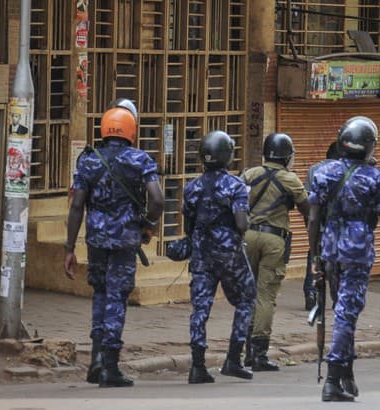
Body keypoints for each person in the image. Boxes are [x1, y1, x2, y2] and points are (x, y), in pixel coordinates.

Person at [308, 116, 380, 402]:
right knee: (346, 312)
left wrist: (314, 255)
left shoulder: (323, 172)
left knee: (343, 311)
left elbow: (314, 218)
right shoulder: (375, 178)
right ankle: (332, 379)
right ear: (369, 146)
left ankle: (347, 375)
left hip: (330, 249)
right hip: (356, 252)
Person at [64, 103, 164, 388]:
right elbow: (157, 200)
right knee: (117, 298)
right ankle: (110, 366)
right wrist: (148, 223)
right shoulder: (140, 160)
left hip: (95, 240)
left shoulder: (88, 161)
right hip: (125, 241)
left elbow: (77, 207)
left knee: (100, 293)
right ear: (131, 130)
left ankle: (95, 360)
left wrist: (69, 248)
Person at [182, 130, 256, 384]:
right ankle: (234, 358)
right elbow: (242, 224)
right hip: (230, 256)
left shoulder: (191, 187)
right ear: (228, 156)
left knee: (200, 309)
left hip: (202, 255)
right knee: (247, 299)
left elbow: (188, 225)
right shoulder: (236, 186)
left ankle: (197, 366)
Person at [241, 133, 310, 371]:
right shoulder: (291, 180)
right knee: (265, 295)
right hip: (273, 239)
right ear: (287, 156)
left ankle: (245, 350)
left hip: (247, 236)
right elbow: (308, 211)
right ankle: (259, 355)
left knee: (247, 293)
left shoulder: (250, 174)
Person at [303, 141, 341, 311]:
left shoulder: (314, 170)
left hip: (317, 224)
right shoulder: (346, 171)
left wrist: (310, 227)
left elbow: (308, 200)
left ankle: (311, 293)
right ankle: (336, 297)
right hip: (337, 228)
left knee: (314, 257)